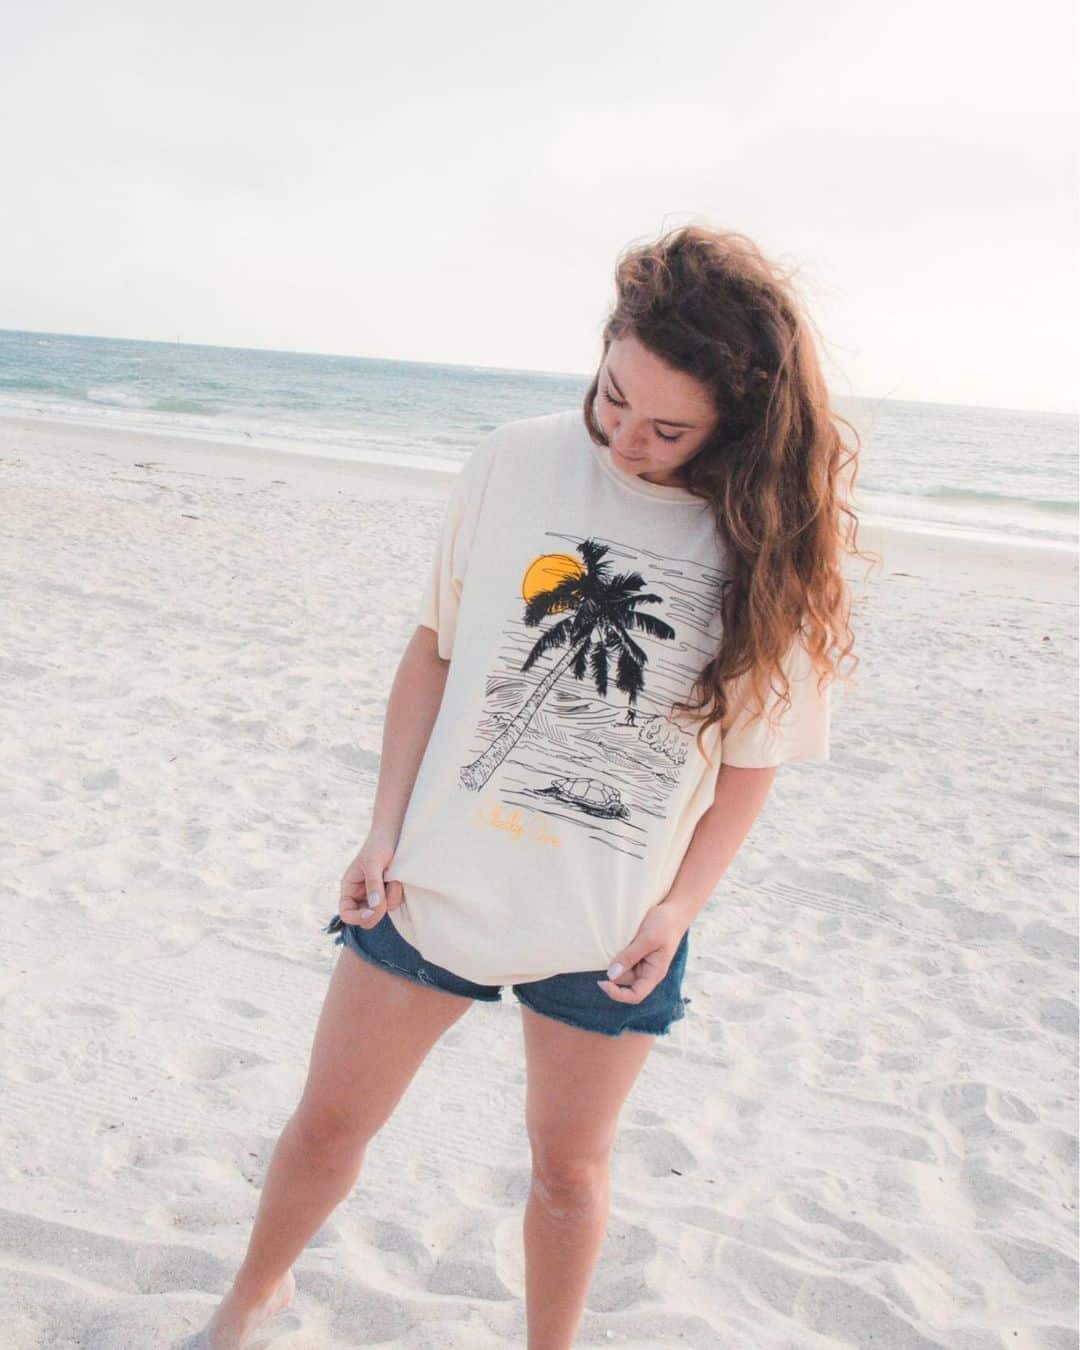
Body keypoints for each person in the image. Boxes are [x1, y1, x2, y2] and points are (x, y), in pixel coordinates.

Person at [199, 223, 867, 1349]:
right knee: (325, 1132)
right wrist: (382, 830)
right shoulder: (514, 458)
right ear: (604, 349)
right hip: (431, 884)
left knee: (567, 1176)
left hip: (610, 930)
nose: (623, 442)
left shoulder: (769, 543)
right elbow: (437, 649)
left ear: (736, 423)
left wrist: (675, 911)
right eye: (613, 399)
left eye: (668, 430)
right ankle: (239, 1310)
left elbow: (752, 762)